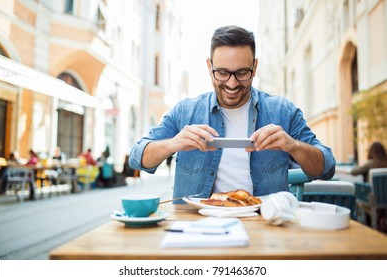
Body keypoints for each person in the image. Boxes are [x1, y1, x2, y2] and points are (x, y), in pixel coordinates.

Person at [129, 25, 335, 202]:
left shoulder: (283, 111)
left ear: (255, 66)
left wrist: (293, 145)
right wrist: (173, 143)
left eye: (242, 72)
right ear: (209, 66)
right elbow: (137, 158)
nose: (232, 83)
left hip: (264, 227)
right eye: (223, 72)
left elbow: (326, 168)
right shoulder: (186, 111)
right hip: (196, 228)